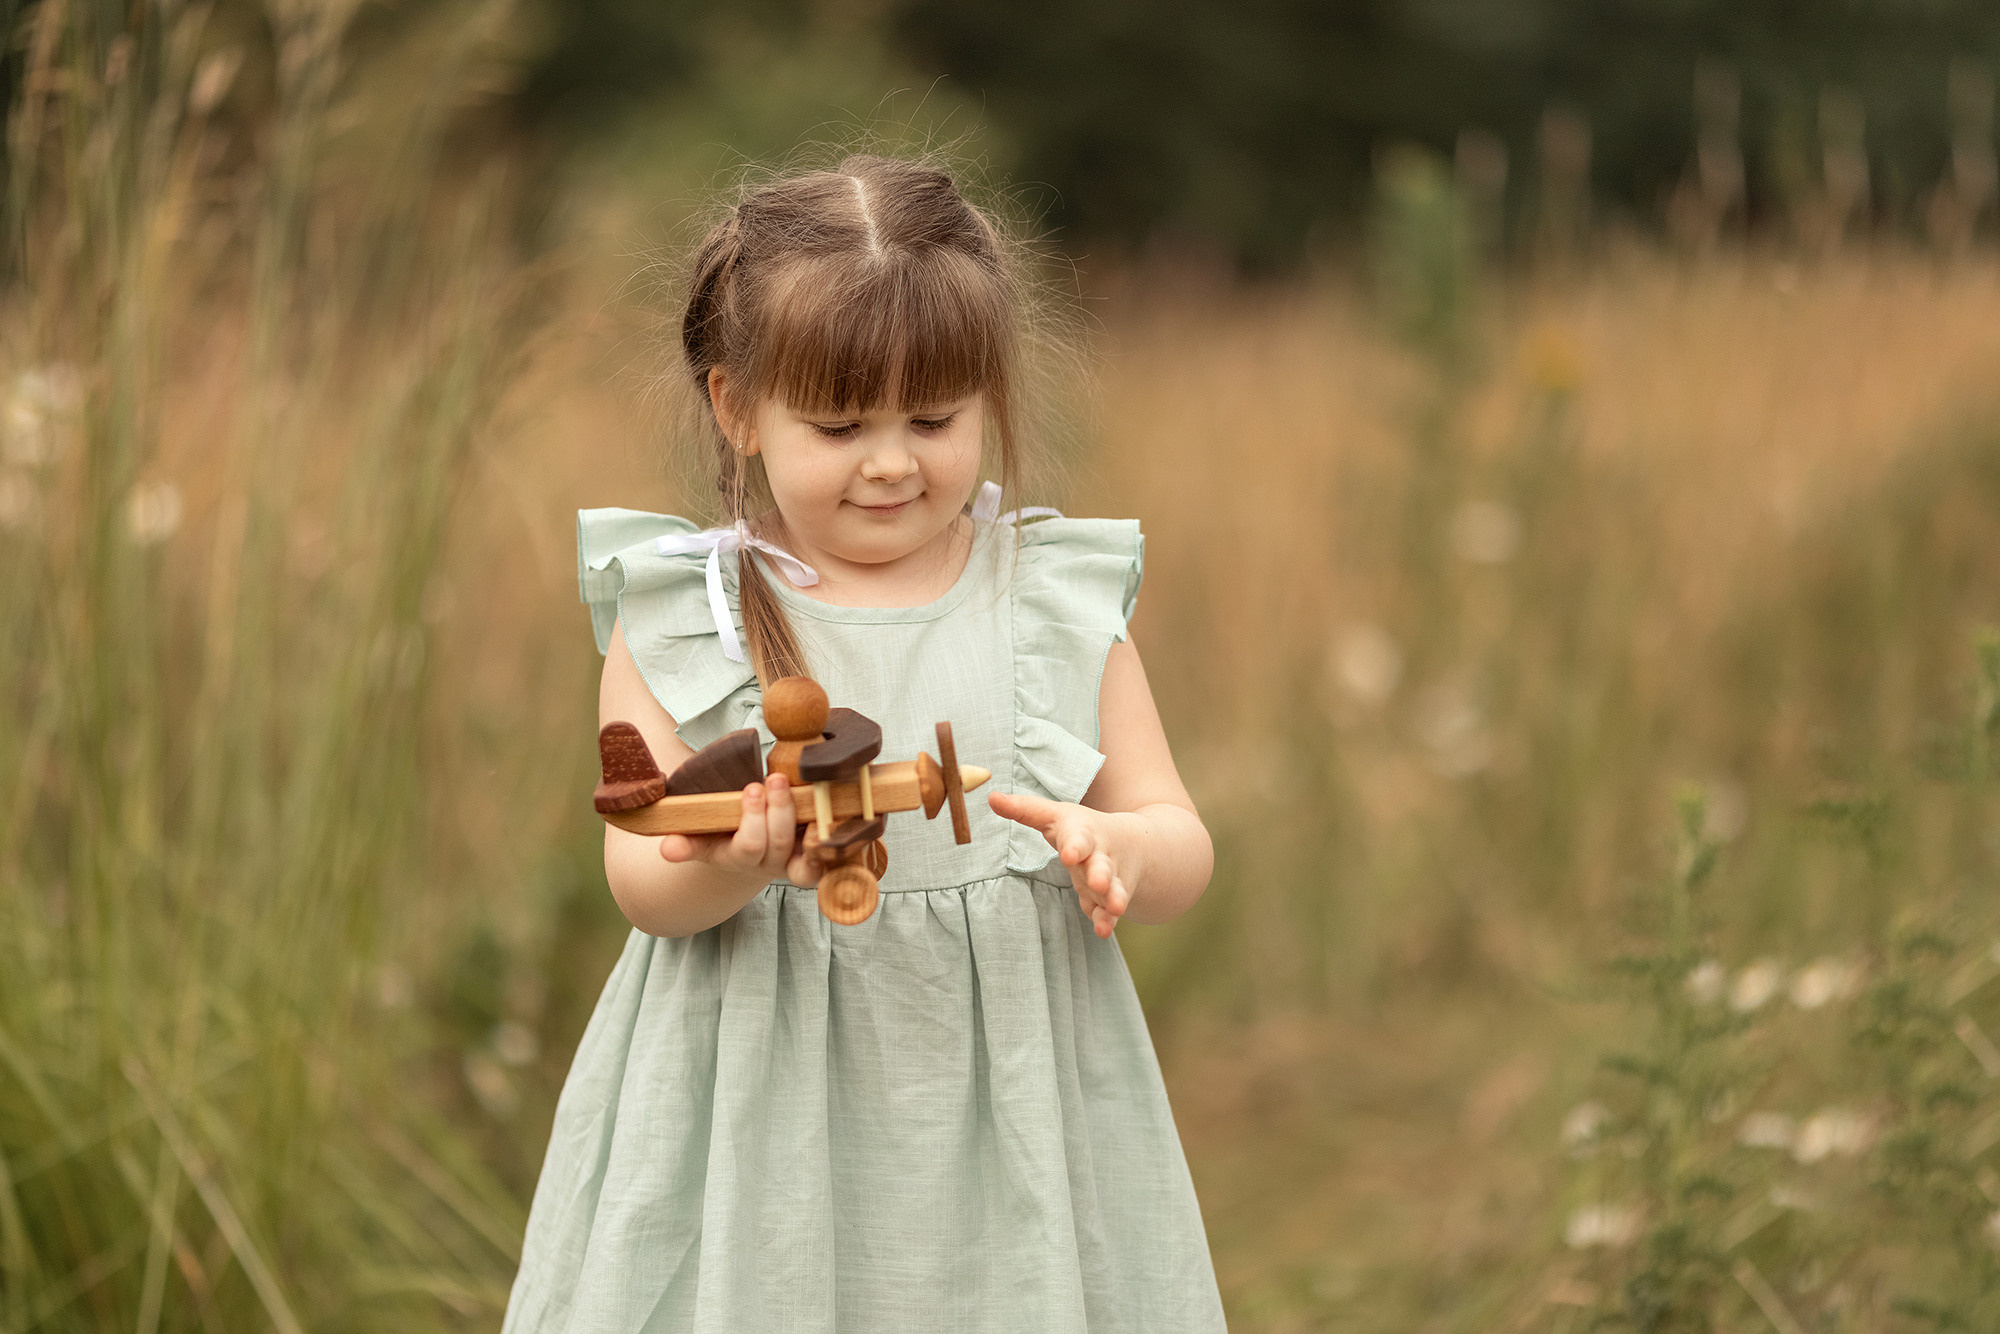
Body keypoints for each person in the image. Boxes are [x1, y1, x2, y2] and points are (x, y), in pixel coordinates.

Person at [504, 153, 1226, 1333]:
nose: (892, 460)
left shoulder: (1048, 599)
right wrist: (736, 858)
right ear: (734, 405)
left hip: (1013, 1114)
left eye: (934, 417)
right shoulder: (691, 611)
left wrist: (1122, 848)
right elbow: (642, 878)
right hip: (752, 1123)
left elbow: (1176, 831)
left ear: (987, 395)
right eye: (839, 424)